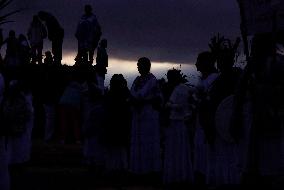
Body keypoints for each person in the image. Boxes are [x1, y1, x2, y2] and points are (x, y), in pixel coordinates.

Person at [129, 57, 161, 177]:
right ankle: (139, 169)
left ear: (147, 66)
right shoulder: (137, 79)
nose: (138, 66)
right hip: (138, 113)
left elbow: (140, 94)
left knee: (148, 141)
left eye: (140, 64)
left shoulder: (152, 80)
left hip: (148, 114)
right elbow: (133, 93)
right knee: (139, 141)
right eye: (137, 64)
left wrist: (137, 99)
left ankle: (149, 170)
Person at [163, 69, 194, 185]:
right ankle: (177, 175)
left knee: (180, 149)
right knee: (176, 149)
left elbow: (169, 104)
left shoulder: (182, 88)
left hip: (179, 122)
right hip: (175, 122)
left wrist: (186, 109)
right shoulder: (175, 88)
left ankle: (180, 175)